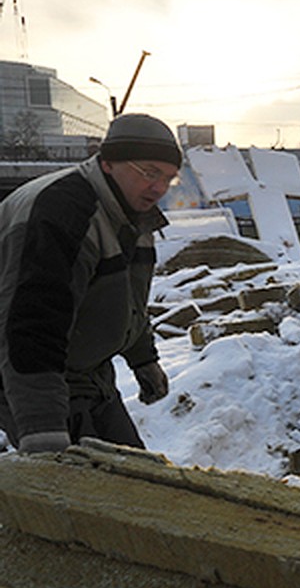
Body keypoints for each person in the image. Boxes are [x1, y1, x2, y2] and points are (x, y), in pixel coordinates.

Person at [0, 113, 180, 454]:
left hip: (87, 373)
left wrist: (143, 358)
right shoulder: (63, 213)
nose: (159, 188)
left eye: (168, 178)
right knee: (80, 495)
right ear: (109, 162)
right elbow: (31, 330)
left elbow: (128, 300)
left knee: (135, 478)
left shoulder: (132, 215)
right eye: (149, 172)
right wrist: (44, 432)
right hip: (28, 372)